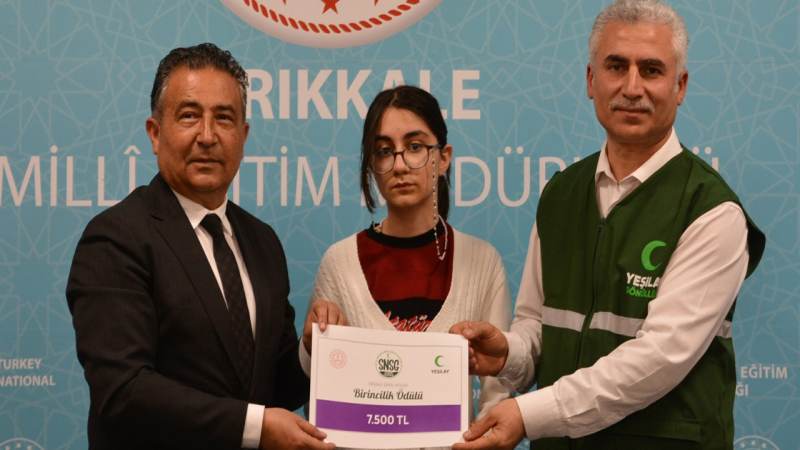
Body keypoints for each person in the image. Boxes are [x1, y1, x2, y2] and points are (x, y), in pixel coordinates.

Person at [450, 1, 766, 449]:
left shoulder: (712, 211)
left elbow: (658, 359)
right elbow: (537, 325)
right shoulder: (561, 194)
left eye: (651, 70)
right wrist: (507, 353)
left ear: (680, 86)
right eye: (616, 66)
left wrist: (529, 413)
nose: (632, 88)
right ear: (590, 80)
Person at [66, 43, 332, 450]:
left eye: (223, 118)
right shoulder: (115, 239)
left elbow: (269, 390)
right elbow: (123, 391)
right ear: (155, 133)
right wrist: (256, 426)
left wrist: (309, 352)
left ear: (243, 136)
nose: (207, 136)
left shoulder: (262, 242)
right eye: (189, 116)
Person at [299, 86, 513, 447]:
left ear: (443, 158)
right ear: (372, 164)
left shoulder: (482, 262)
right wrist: (312, 346)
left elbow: (497, 395)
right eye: (384, 151)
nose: (399, 165)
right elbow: (316, 400)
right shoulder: (339, 263)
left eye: (415, 147)